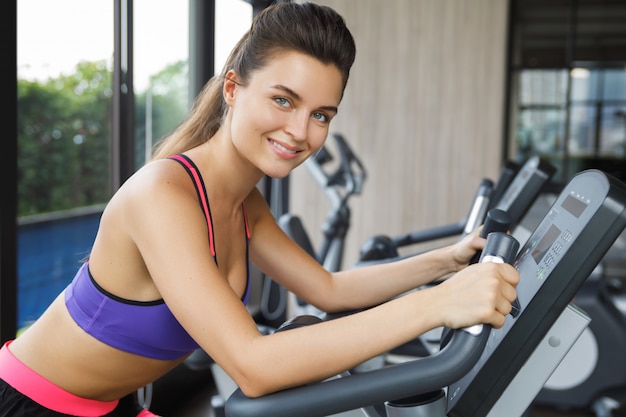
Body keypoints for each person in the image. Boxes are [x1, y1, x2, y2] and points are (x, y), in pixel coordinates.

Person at [0, 2, 519, 416]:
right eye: (283, 100)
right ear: (233, 88)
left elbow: (328, 289)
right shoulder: (161, 194)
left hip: (107, 406)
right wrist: (437, 305)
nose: (300, 131)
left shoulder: (245, 203)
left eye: (321, 114)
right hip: (31, 404)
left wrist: (447, 262)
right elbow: (253, 365)